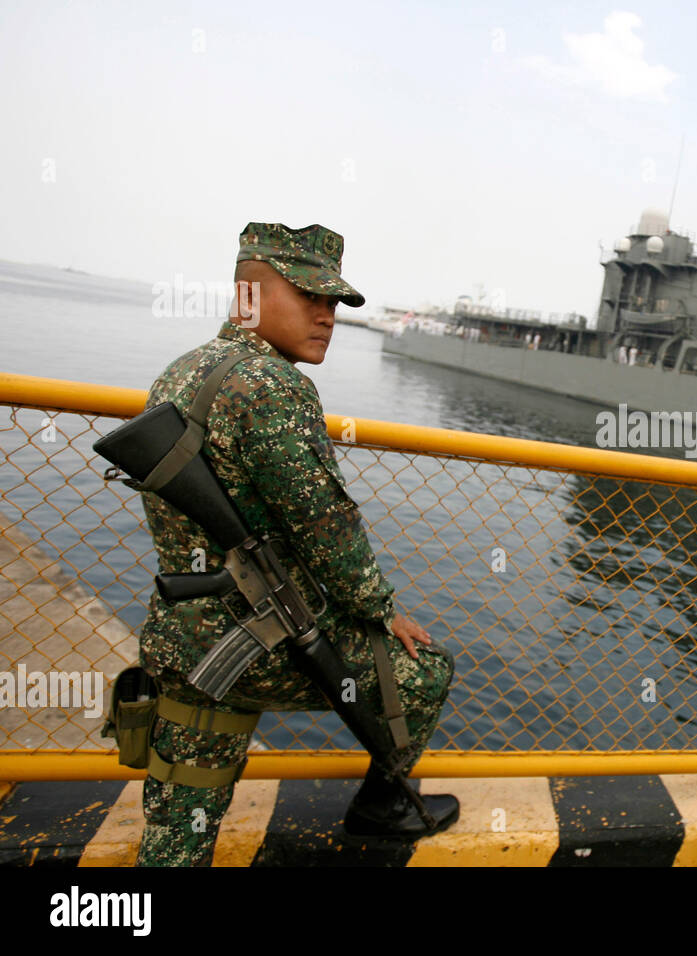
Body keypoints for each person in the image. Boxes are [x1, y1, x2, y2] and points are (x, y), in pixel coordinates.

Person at [133, 223, 457, 866]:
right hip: (259, 640)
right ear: (248, 294)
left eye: (334, 304)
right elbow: (328, 528)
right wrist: (380, 610)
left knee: (180, 826)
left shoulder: (184, 368)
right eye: (310, 296)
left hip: (180, 635)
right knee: (425, 672)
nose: (326, 316)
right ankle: (381, 808)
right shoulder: (273, 387)